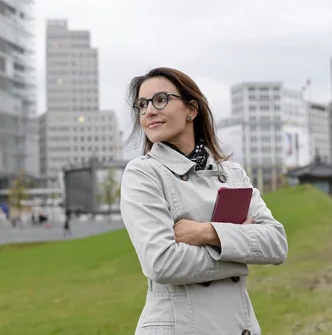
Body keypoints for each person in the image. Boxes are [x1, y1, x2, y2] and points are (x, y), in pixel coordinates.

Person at [120, 67, 288, 335]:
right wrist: (240, 253)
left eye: (160, 100)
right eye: (142, 104)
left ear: (191, 109)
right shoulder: (143, 174)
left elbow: (277, 244)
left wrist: (206, 232)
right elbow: (162, 264)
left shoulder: (232, 173)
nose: (149, 111)